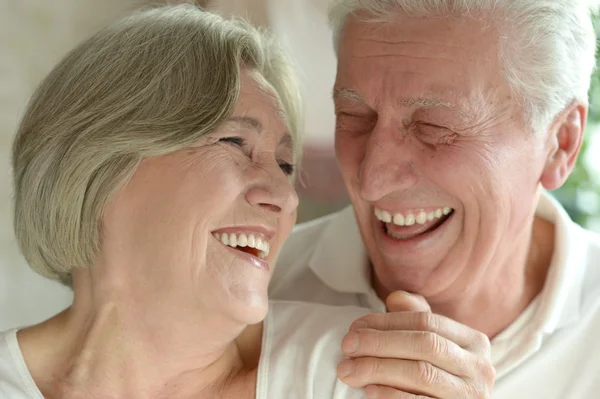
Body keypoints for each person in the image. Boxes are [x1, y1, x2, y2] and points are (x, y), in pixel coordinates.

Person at [0, 5, 371, 398]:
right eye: (234, 142)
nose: (286, 197)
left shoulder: (353, 369)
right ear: (103, 165)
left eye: (284, 165)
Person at [270, 0, 600, 398]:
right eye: (355, 115)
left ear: (560, 144)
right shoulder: (257, 298)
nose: (372, 181)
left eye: (434, 126)